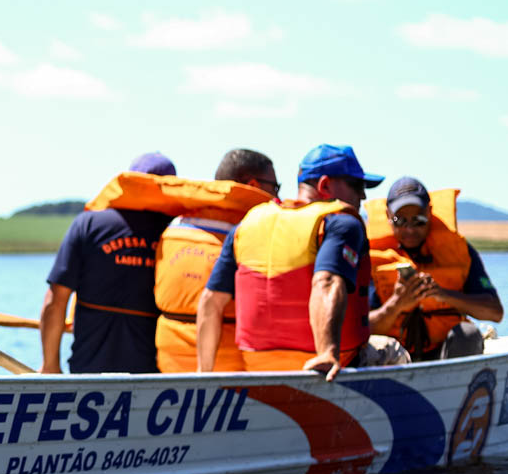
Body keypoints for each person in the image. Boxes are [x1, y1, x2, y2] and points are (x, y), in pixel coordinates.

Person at [197, 144, 402, 380]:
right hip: (325, 364)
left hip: (258, 366)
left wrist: (204, 376)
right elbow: (326, 281)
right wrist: (327, 353)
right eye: (356, 186)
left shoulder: (246, 226)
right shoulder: (341, 223)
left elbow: (210, 302)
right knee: (393, 351)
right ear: (325, 185)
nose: (363, 196)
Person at [40, 152, 178, 374]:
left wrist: (50, 365)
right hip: (153, 374)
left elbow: (55, 300)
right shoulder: (177, 233)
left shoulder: (89, 224)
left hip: (89, 369)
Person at [152, 149, 279, 372]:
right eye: (274, 186)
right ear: (254, 185)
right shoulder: (251, 229)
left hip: (169, 359)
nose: (276, 193)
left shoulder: (175, 225)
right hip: (224, 363)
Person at [366, 176, 503, 359]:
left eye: (418, 220)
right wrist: (397, 304)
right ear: (388, 216)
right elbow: (361, 329)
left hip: (444, 353)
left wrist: (443, 294)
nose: (410, 229)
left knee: (468, 334)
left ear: (430, 212)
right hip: (394, 357)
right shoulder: (370, 259)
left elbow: (495, 312)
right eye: (401, 220)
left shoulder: (460, 252)